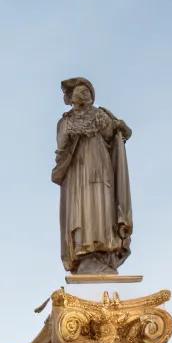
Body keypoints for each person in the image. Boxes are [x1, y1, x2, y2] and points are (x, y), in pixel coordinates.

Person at [52, 76, 133, 275]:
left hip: (101, 170)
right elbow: (62, 145)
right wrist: (72, 129)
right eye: (80, 91)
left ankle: (104, 253)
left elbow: (117, 132)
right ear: (71, 98)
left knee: (102, 208)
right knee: (82, 209)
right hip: (78, 175)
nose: (84, 94)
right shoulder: (66, 121)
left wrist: (119, 126)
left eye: (87, 91)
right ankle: (84, 255)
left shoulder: (100, 115)